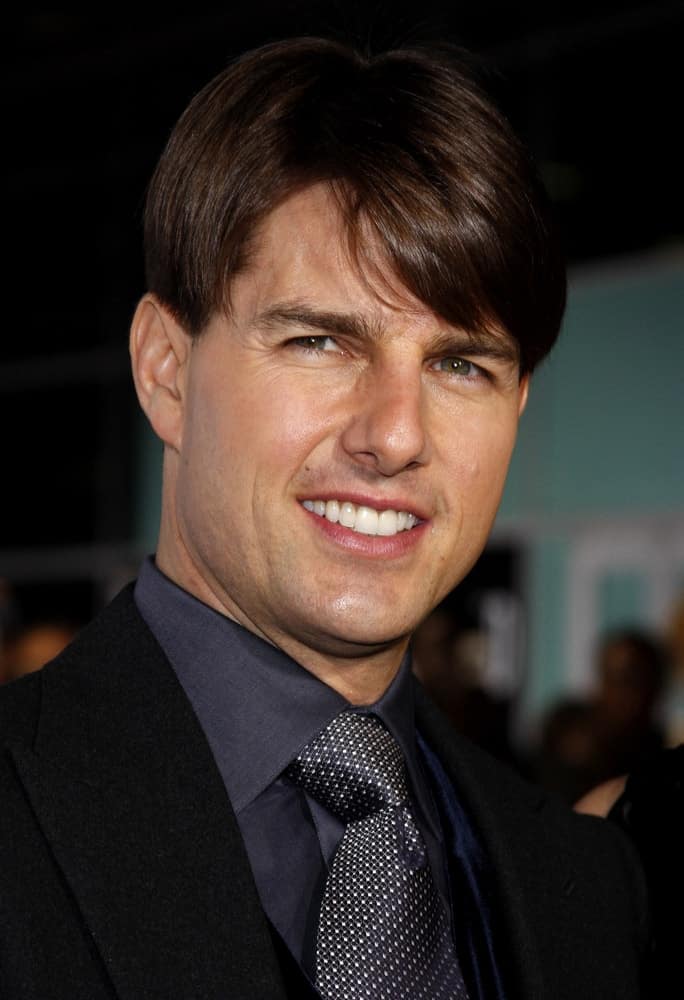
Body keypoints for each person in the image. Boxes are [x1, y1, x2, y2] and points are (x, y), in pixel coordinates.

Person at [0, 37, 649, 999]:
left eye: (461, 364)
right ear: (165, 371)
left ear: (515, 409)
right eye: (320, 341)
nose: (394, 435)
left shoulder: (587, 890)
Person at [534, 627, 666, 804]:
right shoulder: (567, 725)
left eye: (634, 681)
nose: (625, 695)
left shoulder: (655, 749)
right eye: (614, 679)